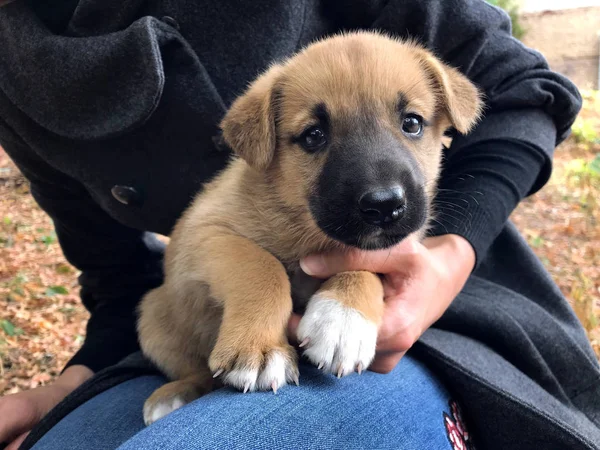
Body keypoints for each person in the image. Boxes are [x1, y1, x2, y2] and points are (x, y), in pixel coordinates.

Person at [0, 0, 598, 449]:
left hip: (437, 328)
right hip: (205, 350)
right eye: (313, 136)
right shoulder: (17, 60)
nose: (381, 188)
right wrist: (69, 387)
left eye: (412, 124)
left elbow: (526, 89)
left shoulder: (396, 68)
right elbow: (120, 279)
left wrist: (449, 256)